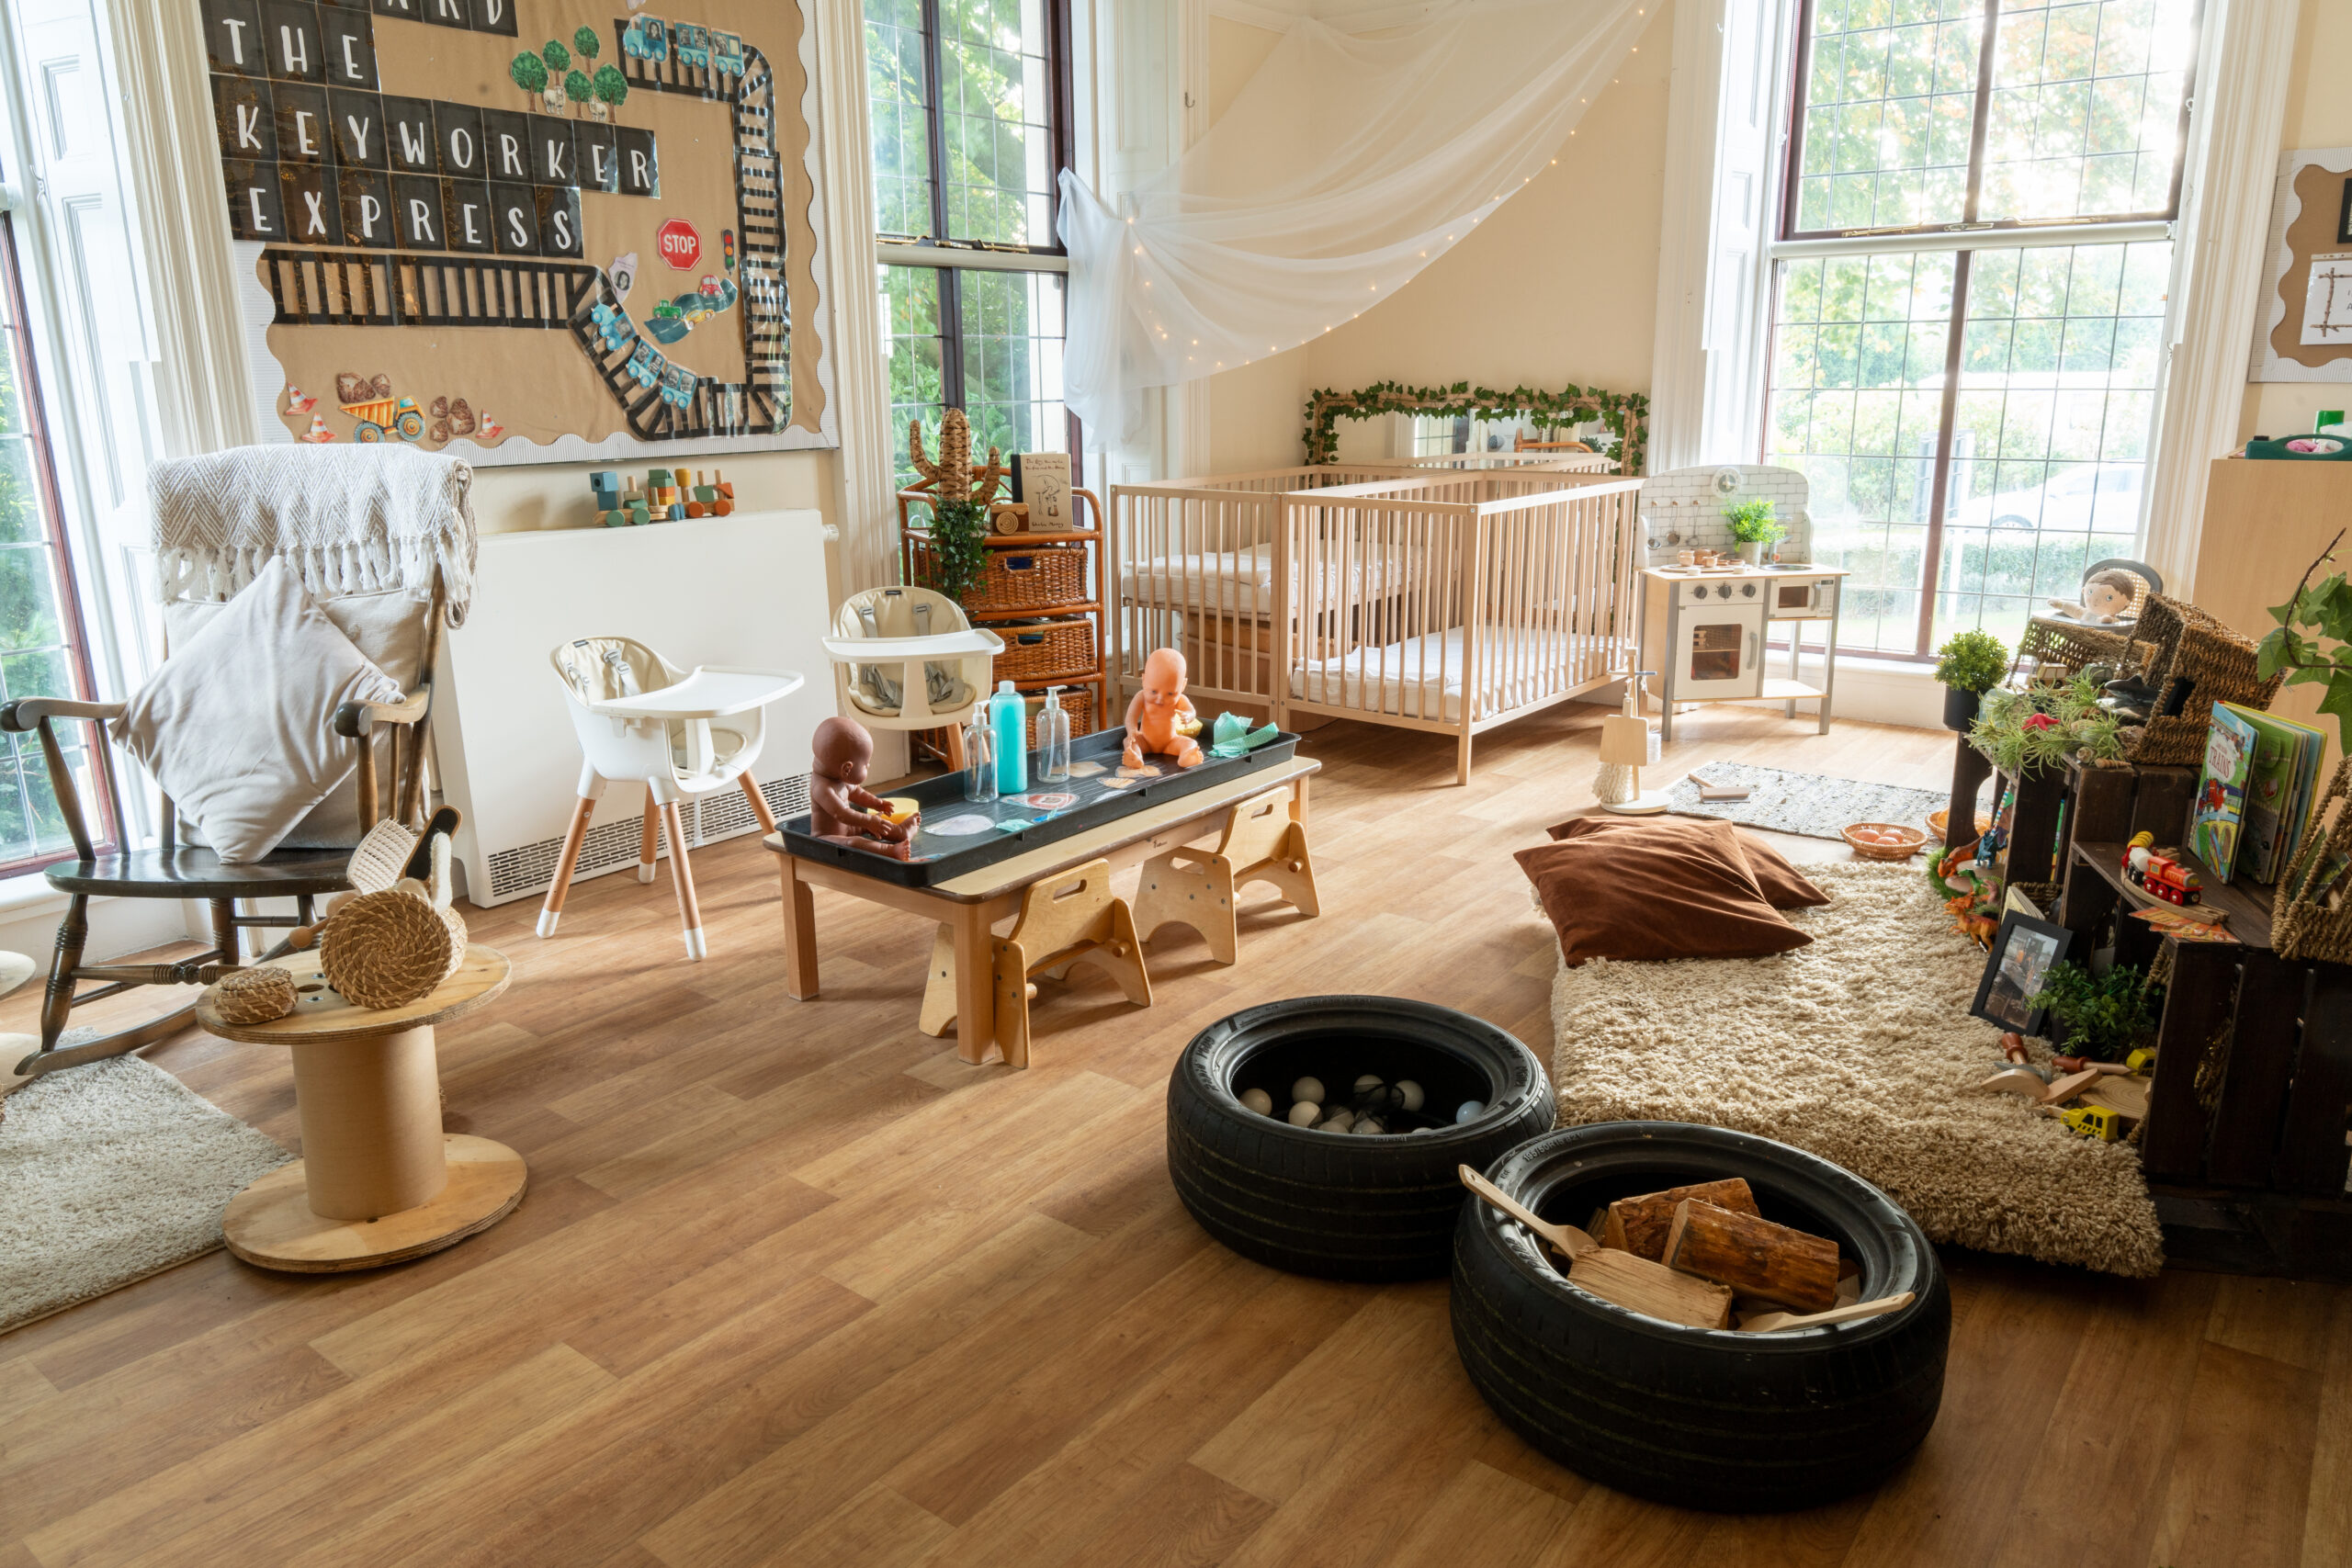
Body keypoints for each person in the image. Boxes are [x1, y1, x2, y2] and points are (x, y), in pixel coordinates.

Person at [808, 716, 915, 859]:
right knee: (854, 842)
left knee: (876, 822)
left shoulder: (837, 777)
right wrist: (869, 821)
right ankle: (889, 850)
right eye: (866, 764)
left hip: (848, 828)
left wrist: (876, 803)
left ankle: (900, 831)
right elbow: (843, 814)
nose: (868, 766)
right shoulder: (821, 788)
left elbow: (857, 792)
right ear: (847, 769)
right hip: (826, 840)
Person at [1123, 647, 1205, 770]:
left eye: (1170, 694)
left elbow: (1191, 711)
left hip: (1170, 741)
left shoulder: (1180, 699)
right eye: (1154, 691)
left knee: (1190, 743)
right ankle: (1135, 757)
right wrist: (1132, 731)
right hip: (1145, 740)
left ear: (1183, 685)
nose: (1160, 699)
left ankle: (1187, 756)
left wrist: (1188, 716)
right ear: (1144, 680)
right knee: (1129, 742)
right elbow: (1130, 717)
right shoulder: (1141, 696)